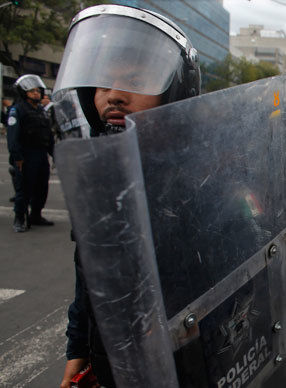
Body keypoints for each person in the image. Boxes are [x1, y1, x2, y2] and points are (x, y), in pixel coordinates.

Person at [55, 4, 201, 387]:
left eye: (135, 80)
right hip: (113, 365)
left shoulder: (203, 177)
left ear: (175, 88)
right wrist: (78, 350)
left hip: (189, 364)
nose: (114, 96)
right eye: (102, 85)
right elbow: (89, 283)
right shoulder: (100, 180)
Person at [6, 74, 55, 232]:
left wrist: (54, 153)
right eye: (32, 91)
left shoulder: (41, 111)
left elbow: (47, 134)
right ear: (23, 92)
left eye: (38, 91)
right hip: (26, 155)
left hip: (41, 154)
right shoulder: (17, 110)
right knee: (24, 189)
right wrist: (17, 157)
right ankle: (19, 218)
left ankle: (36, 215)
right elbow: (13, 137)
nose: (36, 93)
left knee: (41, 188)